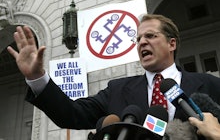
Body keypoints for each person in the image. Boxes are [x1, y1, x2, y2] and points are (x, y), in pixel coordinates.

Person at [7, 14, 220, 131]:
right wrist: (37, 78)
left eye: (151, 36)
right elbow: (71, 115)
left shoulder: (209, 85)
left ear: (171, 43)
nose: (142, 42)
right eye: (138, 39)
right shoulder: (117, 90)